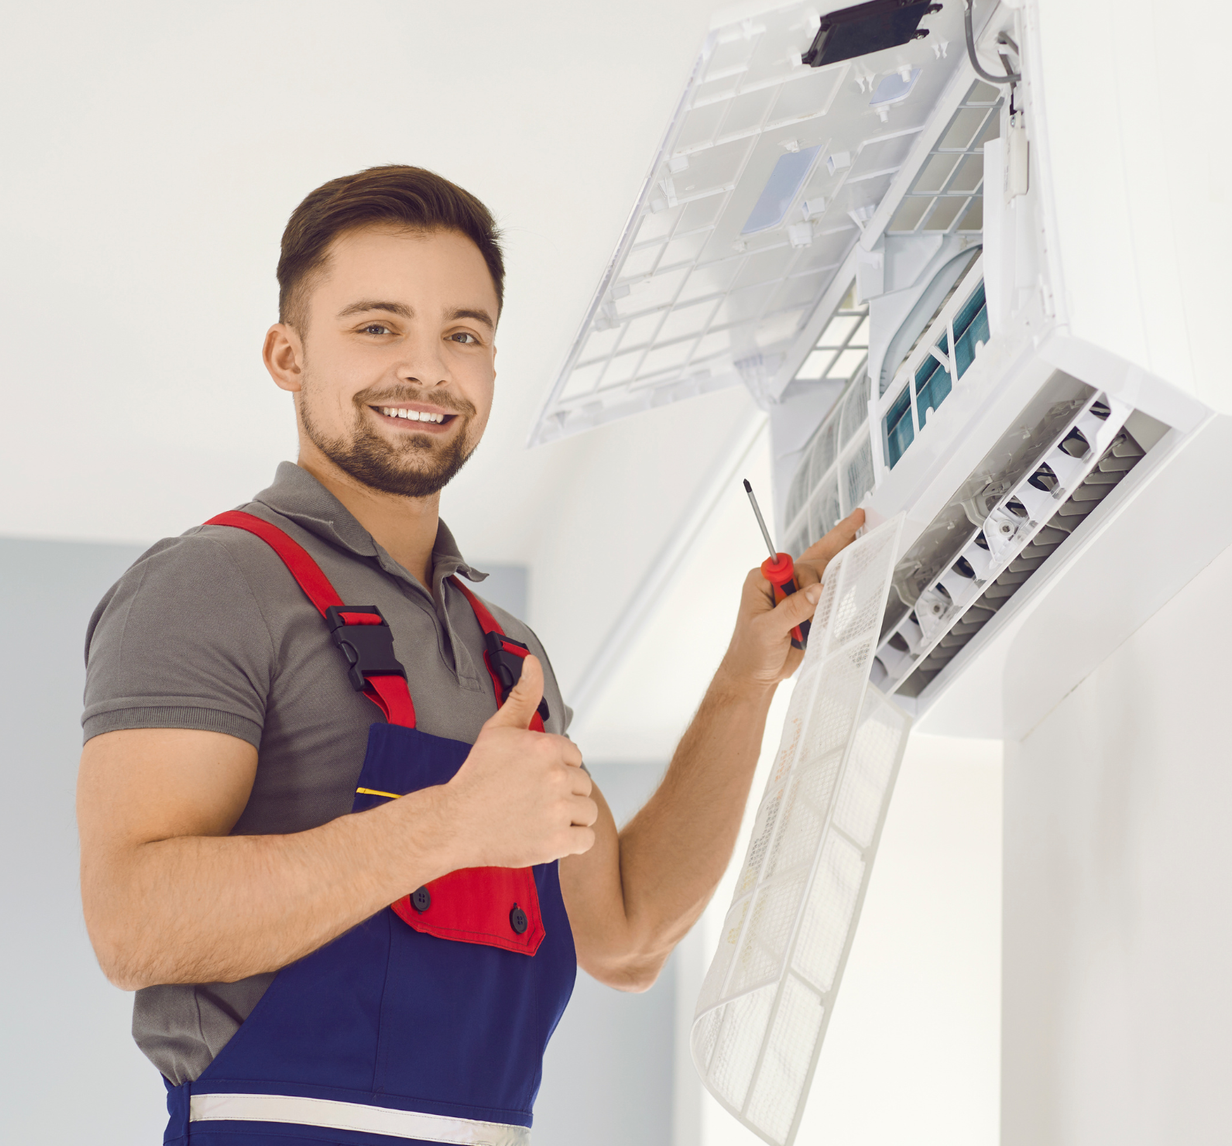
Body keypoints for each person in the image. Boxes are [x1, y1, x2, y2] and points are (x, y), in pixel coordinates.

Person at [76, 164, 863, 1146]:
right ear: (287, 355)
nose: (427, 367)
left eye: (464, 334)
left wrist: (747, 681)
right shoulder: (211, 584)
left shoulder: (506, 656)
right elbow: (134, 926)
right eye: (376, 327)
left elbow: (625, 935)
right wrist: (449, 826)